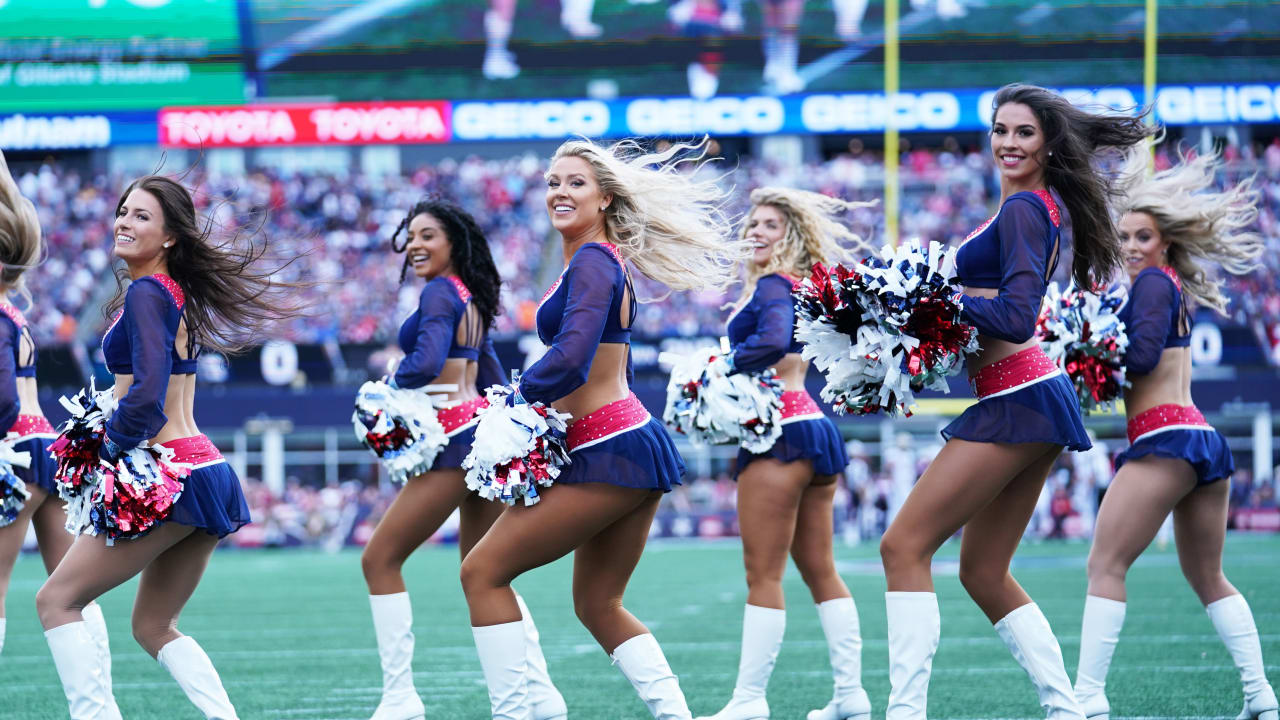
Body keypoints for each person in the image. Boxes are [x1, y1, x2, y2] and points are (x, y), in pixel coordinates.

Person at [877, 83, 1154, 719]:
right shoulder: (1025, 208)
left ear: (1049, 143)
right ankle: (1067, 709)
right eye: (1001, 130)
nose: (1008, 142)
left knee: (902, 547)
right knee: (981, 570)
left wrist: (926, 297)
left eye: (1023, 132)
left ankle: (905, 713)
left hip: (1017, 397)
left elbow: (1016, 313)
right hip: (1027, 398)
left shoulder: (1028, 209)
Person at [458, 138, 747, 720]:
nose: (559, 192)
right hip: (622, 442)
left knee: (482, 572)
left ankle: (520, 713)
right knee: (598, 601)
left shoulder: (593, 260)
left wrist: (511, 405)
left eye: (575, 183)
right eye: (552, 182)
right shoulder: (600, 260)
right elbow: (616, 359)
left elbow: (571, 358)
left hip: (609, 446)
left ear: (606, 198)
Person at [35, 175, 299, 719]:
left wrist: (105, 448)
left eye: (142, 217)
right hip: (204, 471)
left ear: (171, 236)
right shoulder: (170, 292)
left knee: (56, 600)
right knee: (153, 626)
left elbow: (149, 398)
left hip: (168, 476)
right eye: (124, 212)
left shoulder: (149, 293)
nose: (125, 223)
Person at [1074, 151, 1276, 720]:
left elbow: (1138, 358)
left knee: (1105, 565)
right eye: (1125, 237)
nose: (1133, 245)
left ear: (1164, 242)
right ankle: (1260, 695)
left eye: (1144, 236)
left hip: (1166, 440)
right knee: (1207, 574)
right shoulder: (1165, 286)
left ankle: (1086, 699)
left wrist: (1082, 352)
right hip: (1200, 441)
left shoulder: (1152, 288)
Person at [361, 198, 565, 720]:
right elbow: (493, 374)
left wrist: (385, 384)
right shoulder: (467, 296)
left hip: (452, 443)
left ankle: (400, 697)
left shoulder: (437, 292)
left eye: (428, 234)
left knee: (379, 559)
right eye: (411, 236)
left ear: (454, 240)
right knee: (486, 570)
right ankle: (541, 695)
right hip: (478, 440)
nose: (416, 244)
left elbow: (427, 361)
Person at [695, 187, 871, 720]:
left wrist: (718, 365)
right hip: (814, 426)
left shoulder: (774, 285)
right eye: (753, 223)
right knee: (821, 569)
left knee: (764, 575)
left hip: (779, 433)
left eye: (770, 225)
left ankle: (749, 701)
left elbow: (771, 342)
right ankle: (851, 696)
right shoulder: (800, 287)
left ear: (790, 236)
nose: (757, 232)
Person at [0, 151, 114, 688]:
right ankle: (98, 699)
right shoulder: (12, 309)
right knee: (72, 588)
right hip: (46, 447)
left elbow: (2, 399)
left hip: (13, 452)